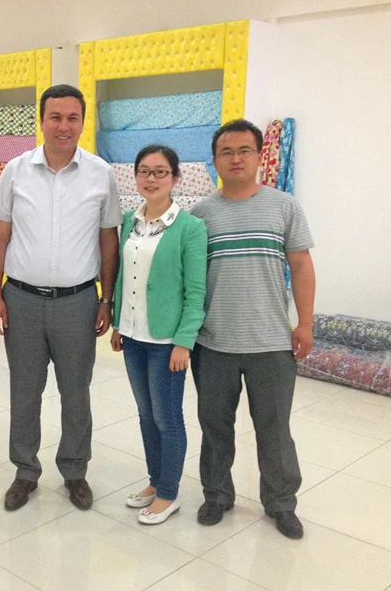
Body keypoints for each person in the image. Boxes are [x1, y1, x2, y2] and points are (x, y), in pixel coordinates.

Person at [0, 84, 123, 511]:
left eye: (72, 118)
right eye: (55, 117)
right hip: (21, 301)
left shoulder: (101, 173)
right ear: (41, 120)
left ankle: (75, 470)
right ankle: (25, 471)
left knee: (76, 392)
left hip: (77, 303)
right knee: (24, 392)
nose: (64, 126)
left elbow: (109, 240)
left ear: (82, 121)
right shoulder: (15, 171)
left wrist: (106, 300)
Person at [189, 119, 316, 540]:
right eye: (226, 152)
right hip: (213, 343)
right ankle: (216, 495)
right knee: (215, 428)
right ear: (215, 160)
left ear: (260, 156)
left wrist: (305, 323)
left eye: (245, 150)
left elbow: (301, 265)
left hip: (271, 343)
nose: (236, 158)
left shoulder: (284, 206)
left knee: (274, 430)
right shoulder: (200, 215)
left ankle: (281, 503)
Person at [109, 145, 207, 525]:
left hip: (166, 342)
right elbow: (123, 277)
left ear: (175, 178)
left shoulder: (190, 228)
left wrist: (184, 341)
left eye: (160, 172)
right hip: (133, 336)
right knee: (146, 415)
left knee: (168, 418)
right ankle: (155, 481)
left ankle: (169, 493)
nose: (151, 179)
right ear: (135, 176)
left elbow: (196, 292)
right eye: (144, 171)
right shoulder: (128, 221)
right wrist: (118, 324)